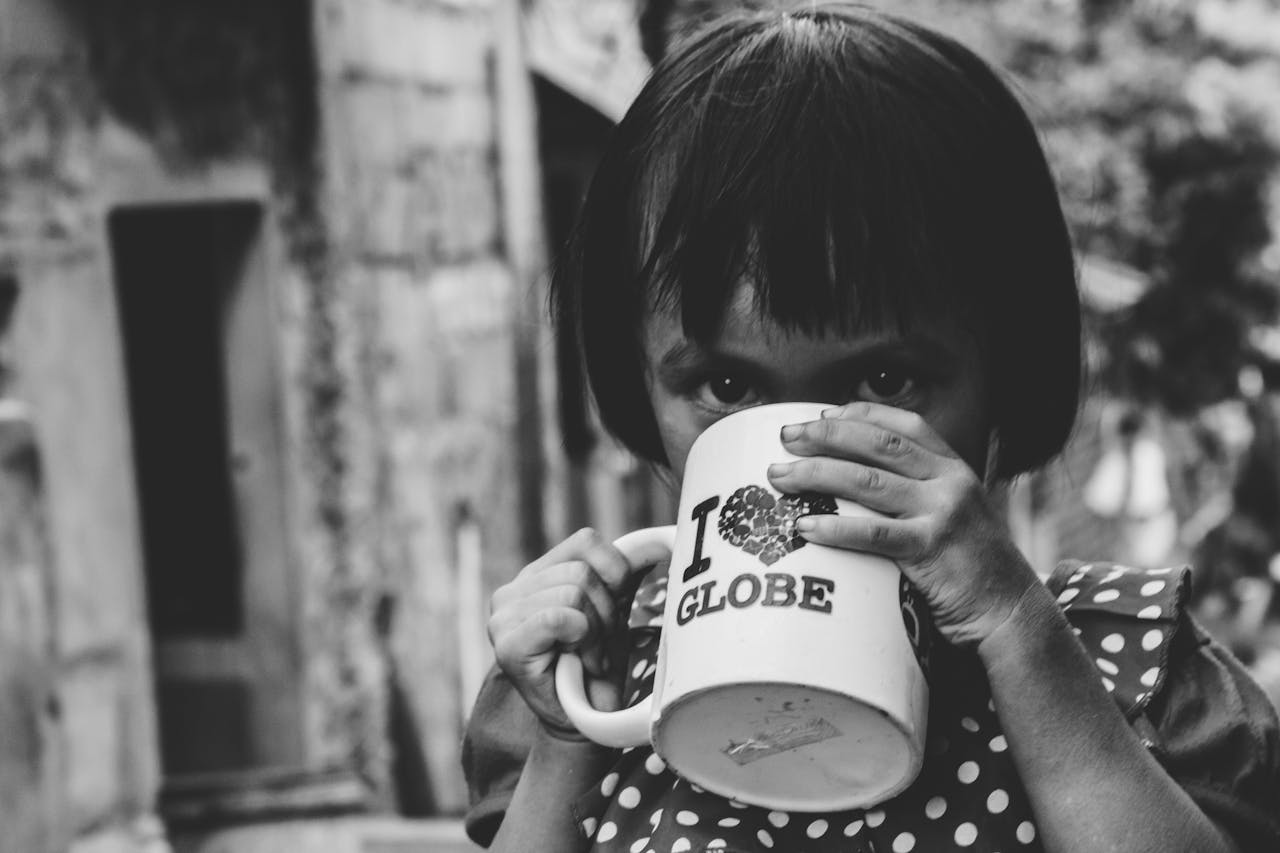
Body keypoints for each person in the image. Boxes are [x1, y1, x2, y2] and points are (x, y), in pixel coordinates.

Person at [464, 5, 1280, 851]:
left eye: (886, 379)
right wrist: (569, 733)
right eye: (728, 383)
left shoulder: (1134, 671)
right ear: (636, 385)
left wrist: (1014, 627)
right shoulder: (595, 685)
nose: (803, 452)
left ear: (1010, 364)